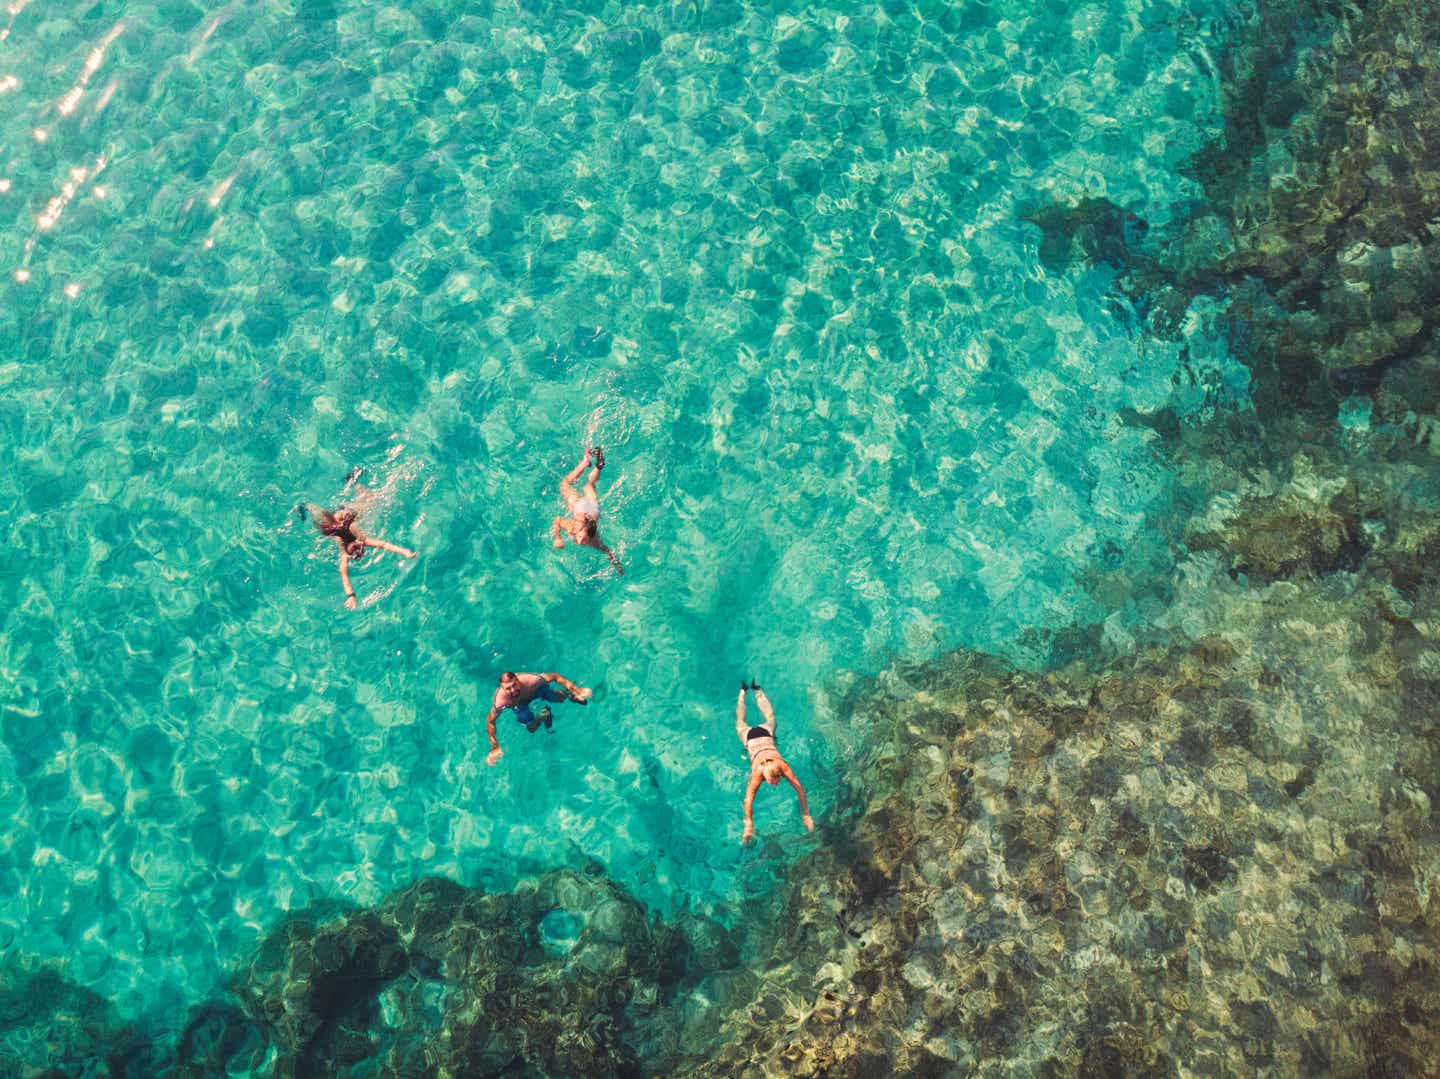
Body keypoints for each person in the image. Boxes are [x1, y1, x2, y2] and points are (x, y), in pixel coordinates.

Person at [735, 679, 814, 844]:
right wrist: (748, 824)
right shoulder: (759, 773)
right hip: (756, 737)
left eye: (776, 780)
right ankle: (756, 691)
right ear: (765, 773)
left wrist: (806, 814)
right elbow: (747, 800)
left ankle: (744, 692)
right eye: (773, 780)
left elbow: (800, 789)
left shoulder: (781, 766)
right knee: (766, 717)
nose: (776, 784)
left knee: (742, 721)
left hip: (762, 735)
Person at [303, 502, 416, 609]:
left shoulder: (344, 553)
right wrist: (405, 552)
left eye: (354, 552)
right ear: (360, 545)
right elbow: (385, 545)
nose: (356, 548)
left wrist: (351, 595)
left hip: (333, 519)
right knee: (372, 502)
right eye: (359, 549)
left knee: (319, 516)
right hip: (346, 512)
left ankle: (304, 507)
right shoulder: (362, 540)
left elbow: (344, 575)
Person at [486, 670, 593, 765]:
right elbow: (490, 721)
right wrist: (494, 745)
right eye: (508, 688)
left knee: (558, 697)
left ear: (518, 680)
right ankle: (543, 716)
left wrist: (578, 690)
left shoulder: (532, 680)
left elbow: (555, 676)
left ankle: (571, 695)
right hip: (519, 705)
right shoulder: (501, 701)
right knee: (531, 728)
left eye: (514, 685)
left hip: (535, 692)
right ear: (502, 688)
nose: (513, 690)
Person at [551, 446, 623, 574]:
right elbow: (557, 520)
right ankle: (589, 464)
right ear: (580, 529)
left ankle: (596, 465)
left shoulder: (589, 537)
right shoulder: (576, 529)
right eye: (581, 538)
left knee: (588, 484)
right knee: (567, 484)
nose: (580, 541)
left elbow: (606, 550)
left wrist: (617, 565)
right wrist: (557, 537)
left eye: (582, 539)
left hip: (592, 508)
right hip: (584, 507)